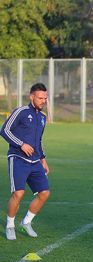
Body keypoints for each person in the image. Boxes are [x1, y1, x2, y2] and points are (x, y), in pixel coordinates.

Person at [0, 83, 50, 240]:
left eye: (45, 98)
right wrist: (21, 144)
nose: (43, 101)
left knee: (44, 193)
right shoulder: (21, 112)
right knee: (18, 193)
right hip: (18, 158)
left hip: (35, 161)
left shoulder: (42, 118)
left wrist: (43, 159)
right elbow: (4, 130)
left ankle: (26, 222)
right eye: (40, 98)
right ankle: (10, 226)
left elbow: (38, 141)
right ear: (32, 97)